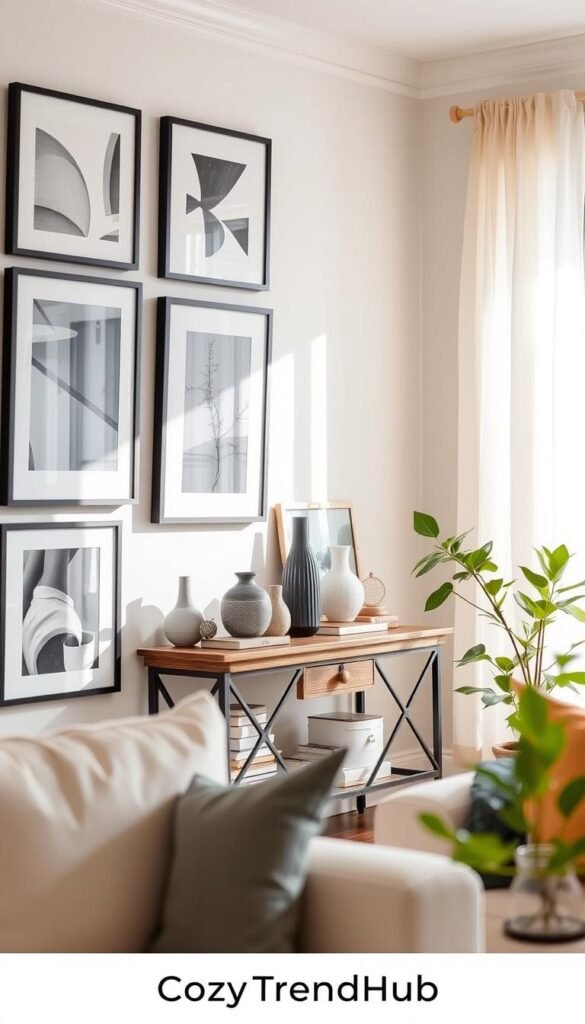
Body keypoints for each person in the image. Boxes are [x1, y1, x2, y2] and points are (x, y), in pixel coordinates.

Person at [22, 549, 83, 675]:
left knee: (58, 536)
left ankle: (22, 602)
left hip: (51, 625)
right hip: (49, 626)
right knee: (56, 536)